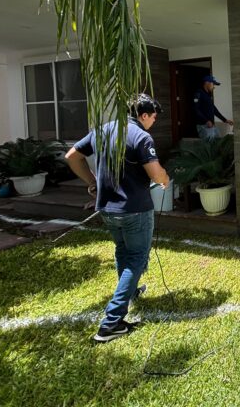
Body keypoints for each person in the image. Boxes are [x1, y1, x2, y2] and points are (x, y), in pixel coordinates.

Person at [65, 93, 170, 343]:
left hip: (107, 209)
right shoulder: (141, 137)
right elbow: (156, 175)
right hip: (135, 209)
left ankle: (131, 292)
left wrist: (92, 183)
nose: (153, 122)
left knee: (123, 251)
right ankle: (111, 323)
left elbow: (71, 156)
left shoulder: (102, 130)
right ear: (143, 115)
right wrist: (165, 178)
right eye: (153, 117)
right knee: (136, 258)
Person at [194, 75, 233, 140]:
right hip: (203, 126)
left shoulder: (208, 95)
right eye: (213, 84)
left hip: (211, 125)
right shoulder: (198, 93)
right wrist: (206, 121)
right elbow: (196, 109)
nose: (214, 87)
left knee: (219, 143)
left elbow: (214, 109)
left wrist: (225, 120)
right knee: (209, 147)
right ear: (207, 83)